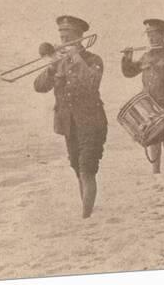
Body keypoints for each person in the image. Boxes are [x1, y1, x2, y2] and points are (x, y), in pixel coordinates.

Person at [33, 15, 107, 219]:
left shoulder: (93, 60)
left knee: (87, 170)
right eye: (62, 37)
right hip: (69, 124)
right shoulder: (59, 63)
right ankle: (89, 216)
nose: (63, 42)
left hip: (92, 122)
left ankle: (86, 218)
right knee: (77, 168)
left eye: (68, 38)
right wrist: (51, 66)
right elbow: (39, 87)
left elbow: (92, 83)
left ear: (79, 38)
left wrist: (76, 57)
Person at [121, 19, 164, 176]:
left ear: (162, 35)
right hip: (149, 103)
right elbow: (130, 73)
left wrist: (156, 65)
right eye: (149, 35)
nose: (151, 38)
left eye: (154, 34)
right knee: (153, 139)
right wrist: (127, 58)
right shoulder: (147, 55)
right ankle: (156, 174)